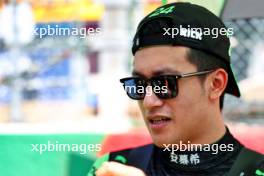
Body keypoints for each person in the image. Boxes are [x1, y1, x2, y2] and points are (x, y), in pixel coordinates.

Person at [87, 2, 264, 176]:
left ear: (216, 84)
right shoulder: (112, 167)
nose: (149, 101)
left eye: (165, 83)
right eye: (139, 84)